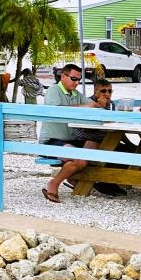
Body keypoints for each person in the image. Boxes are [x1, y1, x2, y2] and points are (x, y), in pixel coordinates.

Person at [40, 64, 87, 203]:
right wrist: (86, 106)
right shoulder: (53, 91)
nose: (77, 83)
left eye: (79, 80)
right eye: (74, 79)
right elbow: (57, 111)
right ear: (63, 76)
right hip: (51, 141)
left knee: (96, 146)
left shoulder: (76, 94)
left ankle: (84, 180)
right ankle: (54, 183)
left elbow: (91, 104)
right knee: (80, 159)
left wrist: (101, 101)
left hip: (71, 140)